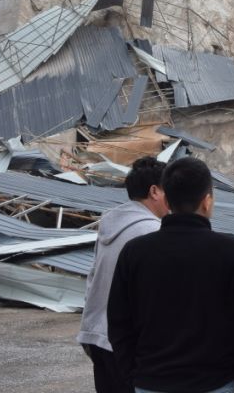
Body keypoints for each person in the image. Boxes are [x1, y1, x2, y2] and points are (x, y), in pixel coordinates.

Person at [108, 157, 234, 393]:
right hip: (217, 384)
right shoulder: (233, 253)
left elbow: (118, 324)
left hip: (151, 384)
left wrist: (134, 375)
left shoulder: (135, 253)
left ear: (166, 199)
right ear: (206, 201)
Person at [78, 157, 170, 393]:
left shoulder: (111, 223)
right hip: (125, 343)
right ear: (154, 191)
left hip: (97, 335)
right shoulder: (151, 232)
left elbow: (92, 278)